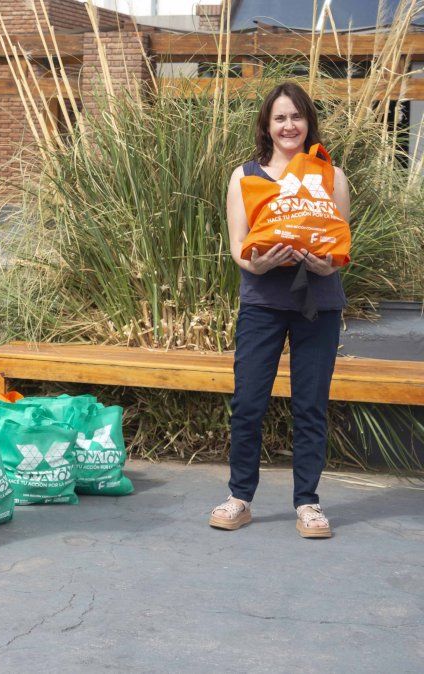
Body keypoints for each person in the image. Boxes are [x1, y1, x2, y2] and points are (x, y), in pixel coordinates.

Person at [211, 81, 349, 539]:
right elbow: (238, 247)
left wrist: (326, 267)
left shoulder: (332, 175)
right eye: (280, 118)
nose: (289, 125)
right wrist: (257, 261)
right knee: (248, 403)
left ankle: (308, 503)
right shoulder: (245, 175)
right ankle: (240, 498)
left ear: (308, 121)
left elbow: (339, 246)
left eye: (297, 117)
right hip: (262, 304)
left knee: (310, 406)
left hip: (318, 304)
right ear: (267, 127)